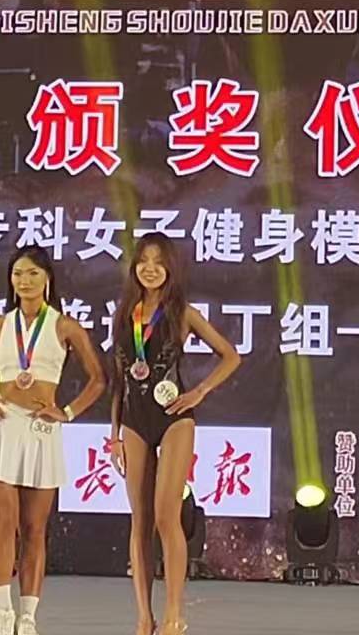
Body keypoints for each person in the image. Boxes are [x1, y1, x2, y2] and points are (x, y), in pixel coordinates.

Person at [0, 245, 106, 635]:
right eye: (18, 273)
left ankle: (28, 616)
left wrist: (67, 412)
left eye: (33, 273)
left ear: (47, 278)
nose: (25, 280)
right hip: (3, 426)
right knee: (4, 520)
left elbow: (98, 379)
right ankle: (2, 609)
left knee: (35, 528)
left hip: (41, 431)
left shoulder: (65, 326)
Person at [110, 232, 241, 635]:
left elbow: (230, 356)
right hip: (133, 421)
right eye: (143, 261)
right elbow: (119, 380)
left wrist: (199, 391)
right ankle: (143, 616)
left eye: (158, 261)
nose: (150, 269)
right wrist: (114, 435)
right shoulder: (124, 313)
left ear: (170, 268)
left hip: (174, 419)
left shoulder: (183, 313)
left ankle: (173, 614)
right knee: (140, 521)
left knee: (167, 516)